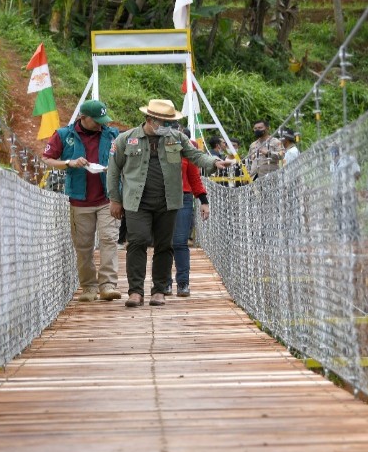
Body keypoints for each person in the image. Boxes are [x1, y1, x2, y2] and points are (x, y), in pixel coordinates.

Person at [107, 99, 230, 307]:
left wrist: (214, 162)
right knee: (138, 241)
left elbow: (196, 156)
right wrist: (114, 199)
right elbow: (113, 170)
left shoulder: (178, 139)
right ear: (149, 119)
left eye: (169, 122)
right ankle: (135, 291)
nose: (166, 126)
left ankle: (159, 290)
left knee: (165, 245)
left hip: (169, 201)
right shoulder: (125, 140)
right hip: (136, 202)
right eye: (162, 122)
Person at [42, 100, 123, 302]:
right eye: (97, 121)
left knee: (109, 240)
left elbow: (125, 158)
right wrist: (69, 162)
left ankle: (108, 285)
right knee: (83, 245)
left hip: (108, 198)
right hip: (79, 200)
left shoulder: (112, 134)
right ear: (83, 118)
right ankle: (88, 286)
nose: (100, 125)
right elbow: (47, 158)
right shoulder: (64, 135)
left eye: (103, 120)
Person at [171, 127, 210, 297]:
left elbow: (194, 176)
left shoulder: (190, 147)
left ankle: (182, 283)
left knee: (180, 241)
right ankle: (163, 283)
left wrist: (204, 201)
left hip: (183, 198)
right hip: (159, 198)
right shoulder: (154, 143)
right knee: (163, 243)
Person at [329, 145, 361, 242]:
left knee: (351, 214)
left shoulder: (349, 159)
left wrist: (351, 183)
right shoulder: (332, 164)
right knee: (338, 214)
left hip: (348, 191)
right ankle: (341, 236)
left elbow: (357, 173)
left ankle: (354, 237)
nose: (333, 155)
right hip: (336, 192)